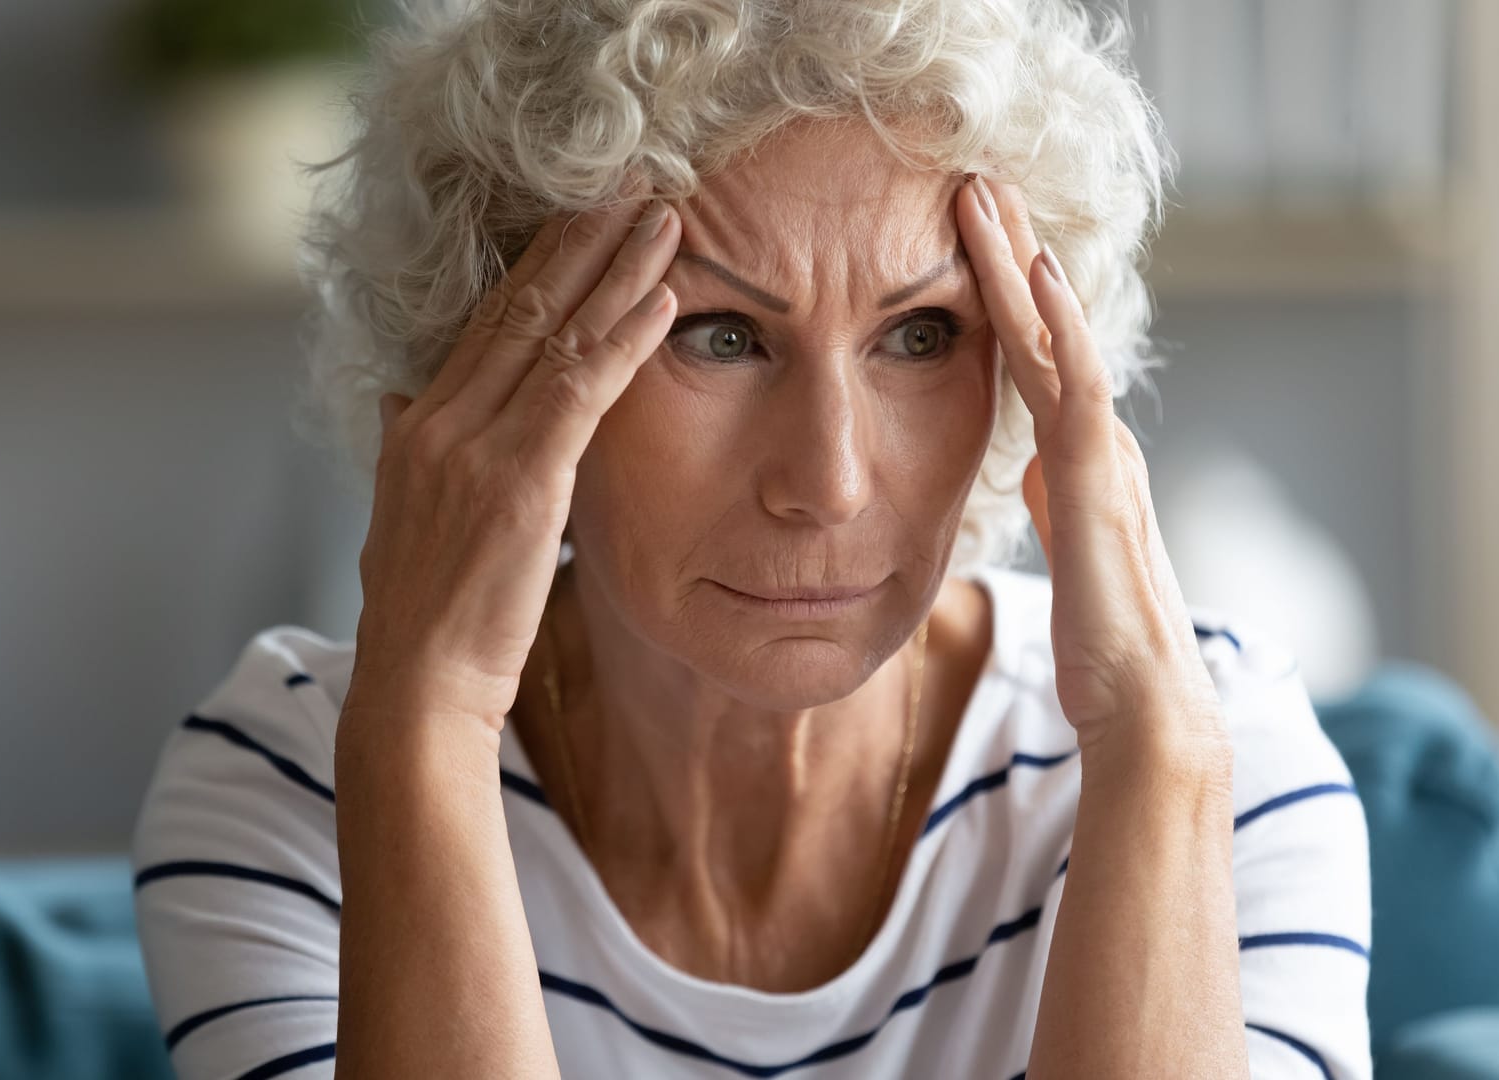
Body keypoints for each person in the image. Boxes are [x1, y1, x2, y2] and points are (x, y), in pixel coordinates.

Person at [131, 0, 1373, 1076]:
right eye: (720, 336)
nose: (827, 484)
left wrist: (1153, 753)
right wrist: (429, 723)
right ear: (491, 367)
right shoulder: (300, 781)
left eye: (921, 335)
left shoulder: (1219, 763)